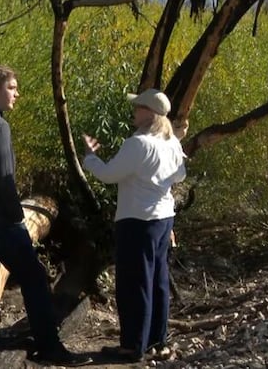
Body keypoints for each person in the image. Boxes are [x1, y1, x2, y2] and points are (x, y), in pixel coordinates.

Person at [0, 64, 91, 366]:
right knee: (35, 278)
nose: (17, 94)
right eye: (12, 88)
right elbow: (4, 179)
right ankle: (50, 347)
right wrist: (17, 218)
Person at [82, 88, 187, 362]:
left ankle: (132, 346)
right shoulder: (172, 143)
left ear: (149, 114)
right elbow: (179, 176)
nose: (134, 111)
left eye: (138, 107)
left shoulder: (138, 143)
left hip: (137, 221)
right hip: (163, 219)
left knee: (134, 283)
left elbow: (108, 175)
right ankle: (157, 342)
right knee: (157, 280)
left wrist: (90, 157)